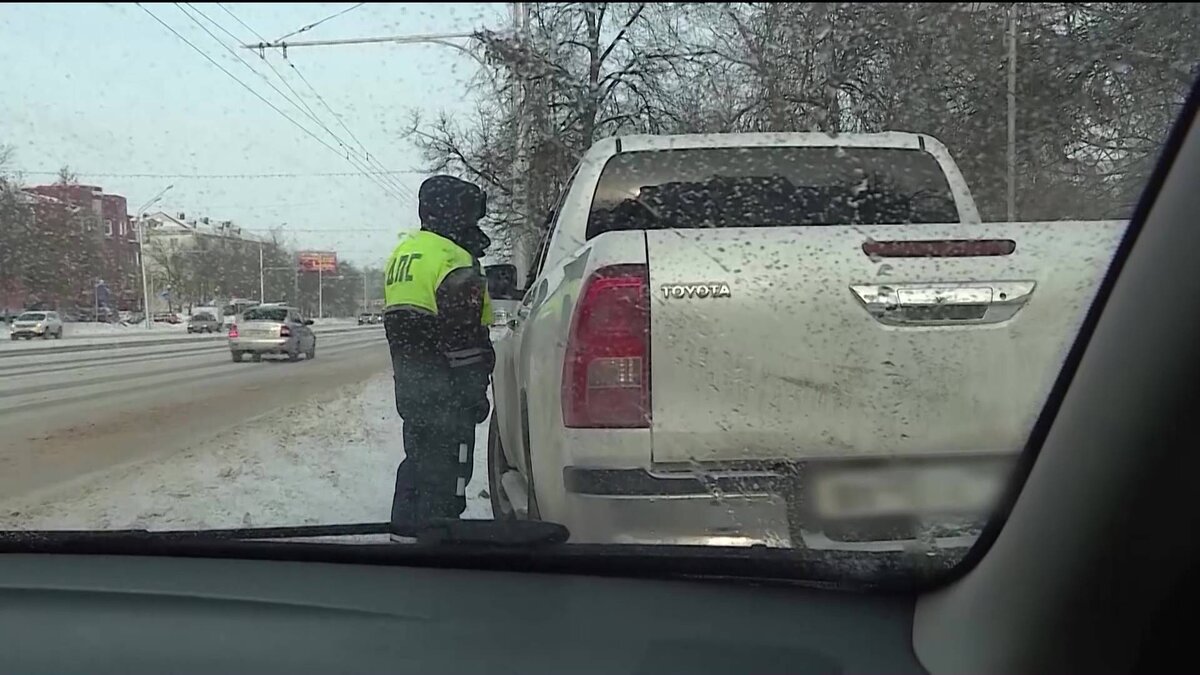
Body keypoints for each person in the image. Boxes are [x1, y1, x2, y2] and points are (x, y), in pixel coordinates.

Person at [383, 175, 495, 537]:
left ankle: (403, 531)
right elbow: (465, 340)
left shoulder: (406, 252)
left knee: (417, 458)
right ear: (457, 215)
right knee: (449, 469)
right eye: (472, 217)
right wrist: (474, 393)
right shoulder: (453, 258)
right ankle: (439, 540)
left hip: (413, 384)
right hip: (449, 390)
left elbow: (407, 329)